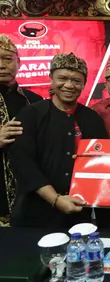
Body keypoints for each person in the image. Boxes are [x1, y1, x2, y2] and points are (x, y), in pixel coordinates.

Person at [8, 52, 108, 228]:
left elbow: (102, 164)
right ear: (51, 79)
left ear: (84, 83)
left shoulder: (93, 119)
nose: (69, 85)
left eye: (76, 80)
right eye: (62, 78)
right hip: (36, 212)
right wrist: (55, 199)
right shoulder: (30, 115)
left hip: (79, 211)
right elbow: (24, 164)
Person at [0, 34, 42, 226]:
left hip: (30, 200)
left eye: (7, 59)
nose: (1, 65)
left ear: (19, 62)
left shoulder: (34, 101)